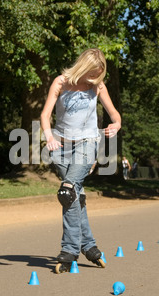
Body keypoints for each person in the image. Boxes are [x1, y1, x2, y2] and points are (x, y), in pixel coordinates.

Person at [40, 48, 121, 273]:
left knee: (67, 191)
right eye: (92, 73)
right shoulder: (60, 82)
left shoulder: (98, 87)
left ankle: (69, 251)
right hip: (61, 147)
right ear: (83, 67)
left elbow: (115, 115)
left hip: (87, 144)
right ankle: (90, 247)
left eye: (98, 75)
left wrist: (116, 125)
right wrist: (48, 137)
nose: (95, 79)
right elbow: (45, 115)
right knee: (75, 197)